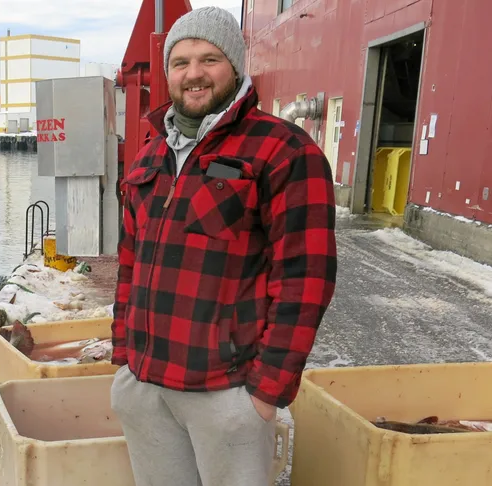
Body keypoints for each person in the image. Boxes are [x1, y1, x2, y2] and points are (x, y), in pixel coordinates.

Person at [110, 6, 337, 486]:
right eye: (181, 61)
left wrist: (265, 391)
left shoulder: (284, 151)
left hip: (226, 391)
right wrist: (124, 358)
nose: (194, 74)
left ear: (235, 66)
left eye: (209, 59)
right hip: (146, 386)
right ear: (168, 71)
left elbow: (305, 280)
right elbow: (129, 262)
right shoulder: (150, 155)